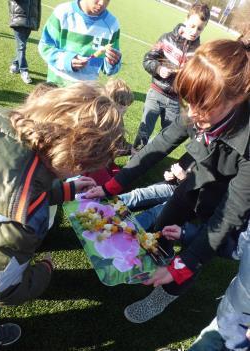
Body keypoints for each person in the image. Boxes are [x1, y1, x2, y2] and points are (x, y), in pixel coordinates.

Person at [86, 32, 250, 324]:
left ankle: (166, 293)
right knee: (160, 229)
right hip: (192, 184)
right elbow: (159, 144)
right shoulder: (199, 109)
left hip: (222, 205)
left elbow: (229, 215)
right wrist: (113, 184)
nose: (192, 113)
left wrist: (182, 266)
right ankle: (155, 267)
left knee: (193, 252)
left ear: (238, 98)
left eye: (203, 106)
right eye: (188, 102)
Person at [0, 81, 124, 350]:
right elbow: (1, 290)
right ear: (75, 160)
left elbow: (8, 185)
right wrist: (43, 272)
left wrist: (63, 191)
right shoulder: (25, 217)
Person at [133, 2, 210, 151]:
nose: (195, 31)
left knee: (167, 135)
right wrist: (158, 68)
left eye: (200, 28)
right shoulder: (166, 39)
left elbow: (197, 80)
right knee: (144, 130)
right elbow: (148, 59)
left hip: (175, 101)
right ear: (186, 19)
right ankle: (134, 157)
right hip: (156, 93)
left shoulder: (199, 53)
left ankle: (150, 157)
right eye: (193, 25)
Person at [188, 221, 250, 351]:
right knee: (204, 344)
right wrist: (187, 233)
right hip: (231, 312)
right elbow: (238, 248)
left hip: (243, 330)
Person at [38, 0, 121, 86]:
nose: (102, 3)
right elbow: (45, 46)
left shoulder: (112, 24)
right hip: (56, 86)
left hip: (87, 93)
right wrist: (67, 61)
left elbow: (108, 69)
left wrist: (112, 62)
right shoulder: (62, 12)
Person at [83, 78, 134, 185]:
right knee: (110, 185)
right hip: (92, 163)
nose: (125, 110)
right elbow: (112, 147)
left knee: (120, 178)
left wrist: (131, 149)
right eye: (121, 106)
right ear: (109, 102)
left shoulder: (117, 118)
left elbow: (119, 142)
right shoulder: (99, 120)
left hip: (104, 161)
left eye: (126, 106)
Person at [8, 0, 41, 84]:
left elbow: (38, 6)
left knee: (21, 46)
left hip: (30, 22)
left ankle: (15, 64)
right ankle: (24, 71)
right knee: (21, 46)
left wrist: (36, 23)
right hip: (19, 20)